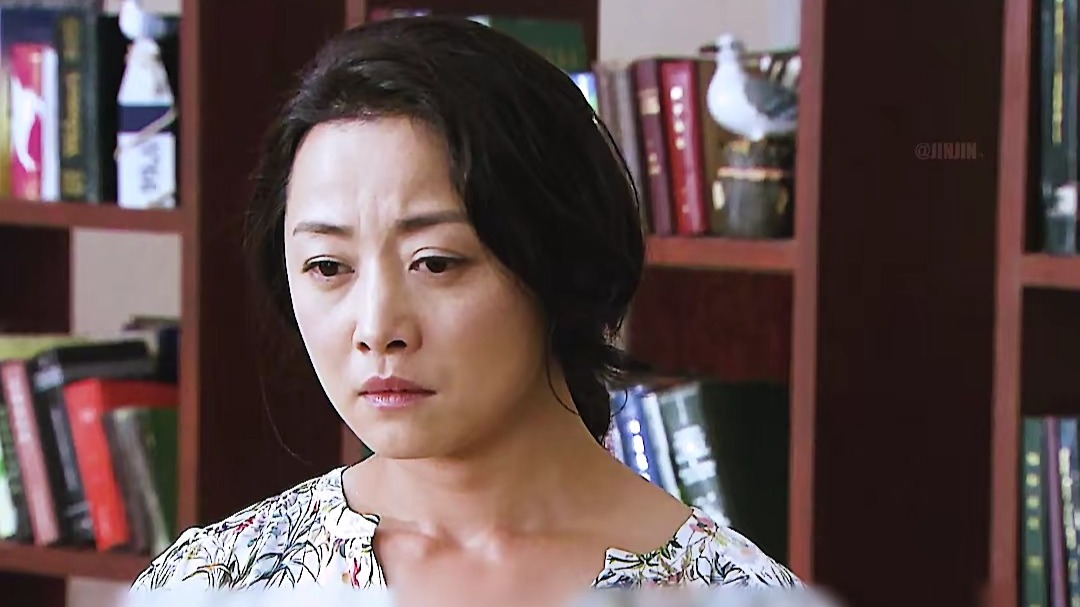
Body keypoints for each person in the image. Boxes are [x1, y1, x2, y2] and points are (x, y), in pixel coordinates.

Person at [129, 15, 800, 607]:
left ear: (558, 260)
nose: (377, 328)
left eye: (436, 263)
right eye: (328, 267)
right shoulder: (215, 580)